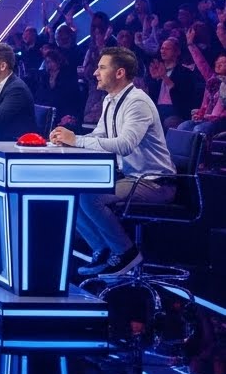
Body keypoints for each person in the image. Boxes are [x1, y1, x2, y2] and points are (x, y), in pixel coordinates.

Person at [49, 46, 176, 277]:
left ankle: (126, 253)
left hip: (155, 183)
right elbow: (99, 135)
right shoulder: (110, 100)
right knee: (71, 192)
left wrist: (76, 140)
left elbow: (125, 144)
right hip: (131, 177)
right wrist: (68, 140)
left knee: (90, 197)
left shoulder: (137, 102)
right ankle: (104, 250)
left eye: (101, 67)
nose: (94, 72)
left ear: (119, 73)